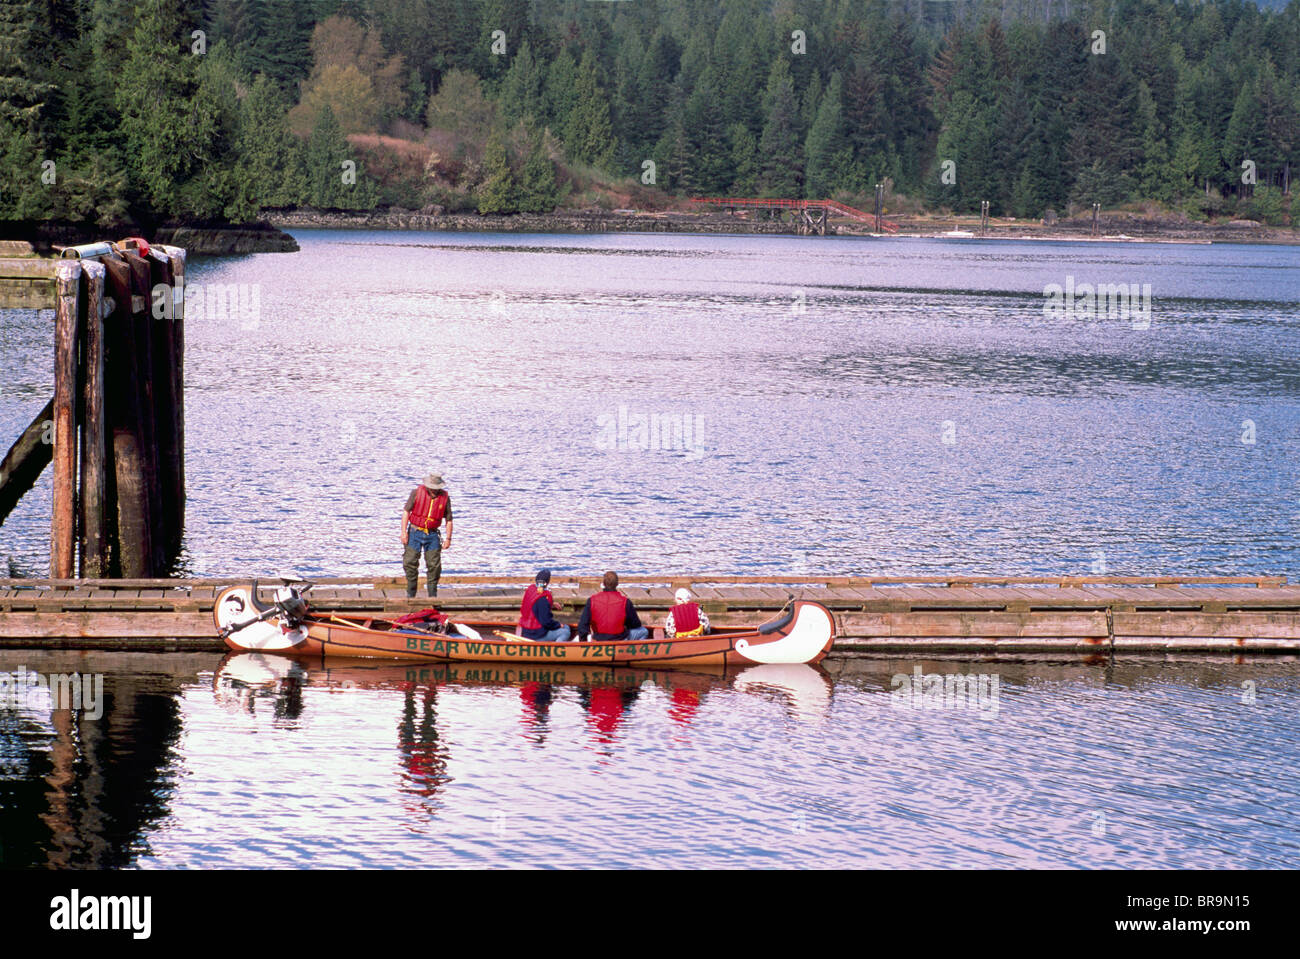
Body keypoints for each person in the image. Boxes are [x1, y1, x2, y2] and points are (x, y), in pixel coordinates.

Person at [402, 472, 452, 598]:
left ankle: (432, 596)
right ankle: (411, 594)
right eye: (432, 488)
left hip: (433, 534)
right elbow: (406, 512)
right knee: (410, 562)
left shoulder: (445, 497)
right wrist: (403, 533)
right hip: (414, 532)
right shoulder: (416, 492)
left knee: (434, 566)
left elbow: (449, 520)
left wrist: (448, 539)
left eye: (437, 488)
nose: (434, 490)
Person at [577, 571, 649, 643]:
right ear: (617, 584)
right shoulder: (625, 601)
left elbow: (582, 625)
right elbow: (636, 624)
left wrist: (583, 642)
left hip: (598, 639)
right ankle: (633, 651)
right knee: (644, 631)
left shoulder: (592, 600)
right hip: (620, 638)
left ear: (604, 584)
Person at [519, 568, 571, 642]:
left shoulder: (530, 589)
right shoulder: (542, 600)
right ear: (547, 582)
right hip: (536, 635)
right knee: (566, 631)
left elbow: (534, 603)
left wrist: (551, 603)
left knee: (565, 627)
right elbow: (546, 622)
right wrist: (558, 625)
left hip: (526, 631)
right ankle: (556, 648)